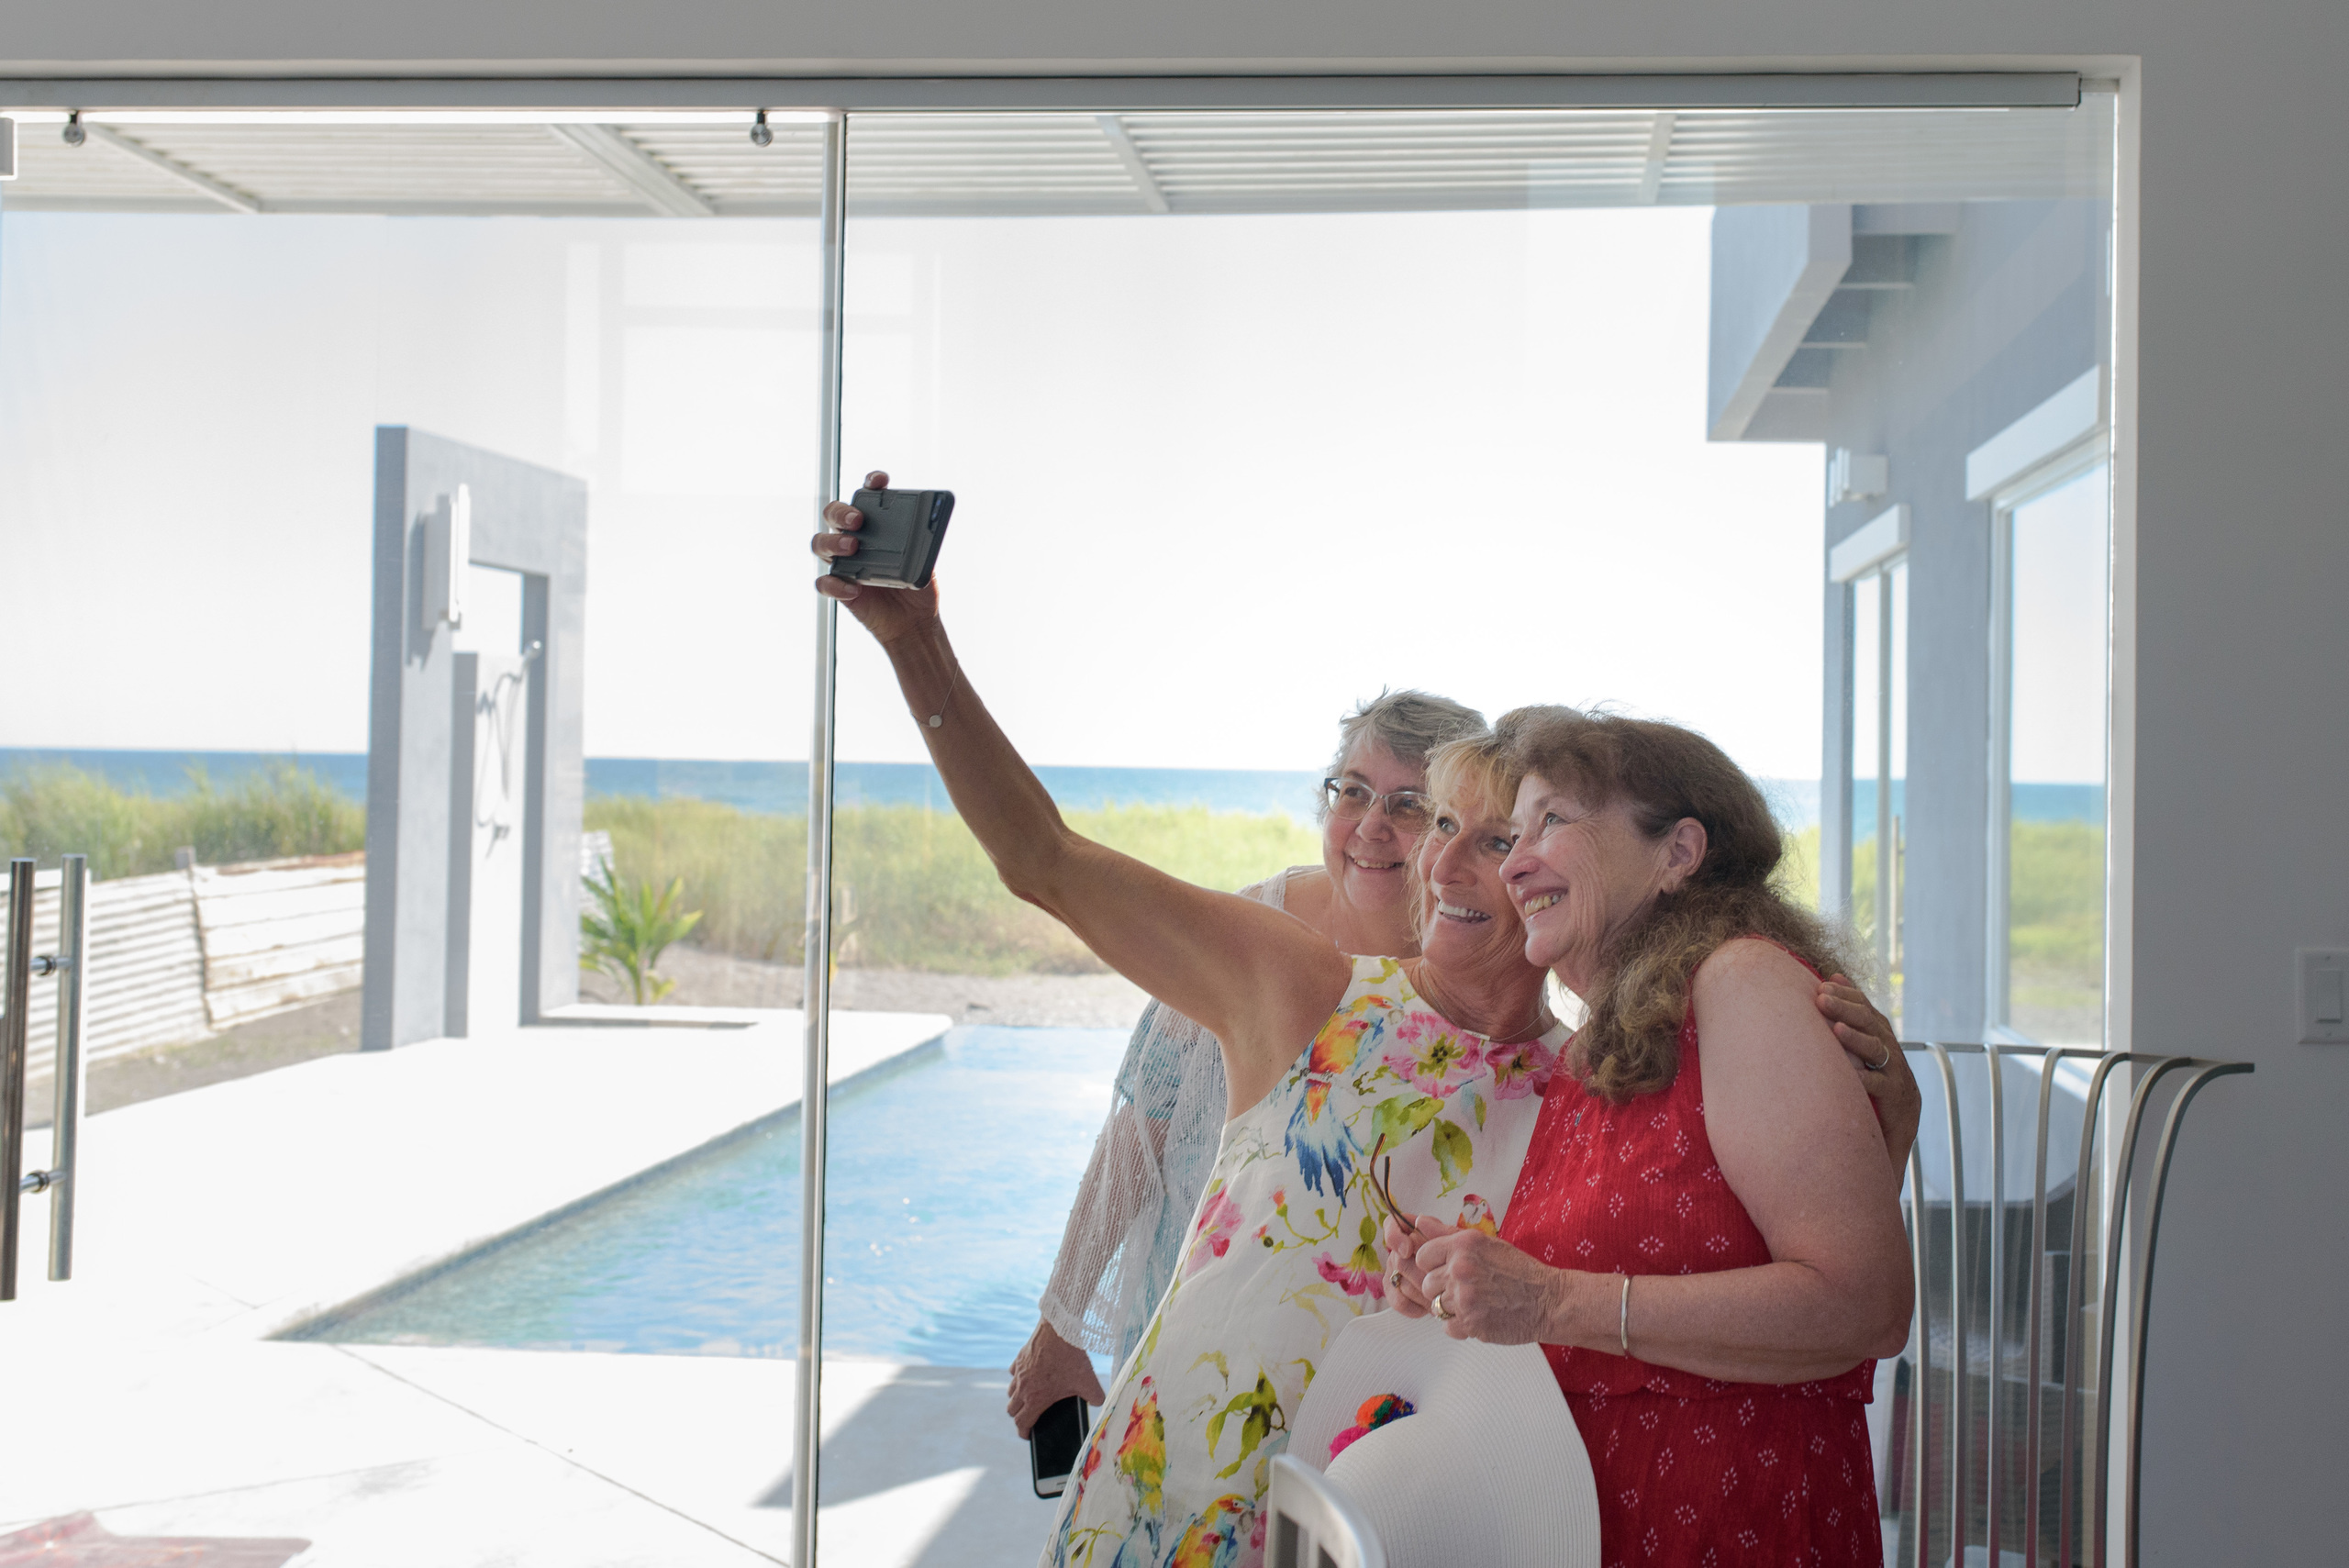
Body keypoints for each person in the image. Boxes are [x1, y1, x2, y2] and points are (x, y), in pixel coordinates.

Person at [814, 479, 1917, 1568]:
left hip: (1378, 1529)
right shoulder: (1308, 989)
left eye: (1501, 836)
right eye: (1449, 822)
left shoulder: (1579, 1078)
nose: (1445, 857)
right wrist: (917, 643)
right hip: (1181, 1501)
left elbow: (1750, 1251)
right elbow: (1044, 860)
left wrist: (1885, 1118)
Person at [1385, 706, 1916, 1566]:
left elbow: (1865, 1304)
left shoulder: (1740, 983)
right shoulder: (1605, 1040)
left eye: (1552, 820)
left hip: (1739, 1529)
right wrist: (1475, 1273)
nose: (1515, 864)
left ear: (1677, 853)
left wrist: (1550, 1299)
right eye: (1513, 833)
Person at [1008, 691, 1487, 1434]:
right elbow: (1138, 1137)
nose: (1371, 825)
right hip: (1191, 1338)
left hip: (1371, 1383)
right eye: (1353, 791)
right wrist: (1061, 1323)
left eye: (1411, 804)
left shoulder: (1483, 978)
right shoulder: (1244, 934)